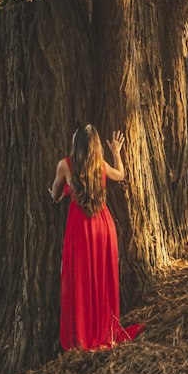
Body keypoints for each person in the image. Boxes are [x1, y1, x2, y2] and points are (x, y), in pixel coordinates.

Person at [49, 123, 145, 352]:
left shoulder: (65, 165)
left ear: (76, 144)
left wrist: (62, 193)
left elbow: (54, 193)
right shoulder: (100, 165)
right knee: (101, 279)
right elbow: (121, 175)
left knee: (81, 281)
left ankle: (83, 335)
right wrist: (116, 153)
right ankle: (102, 330)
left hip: (81, 229)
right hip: (103, 227)